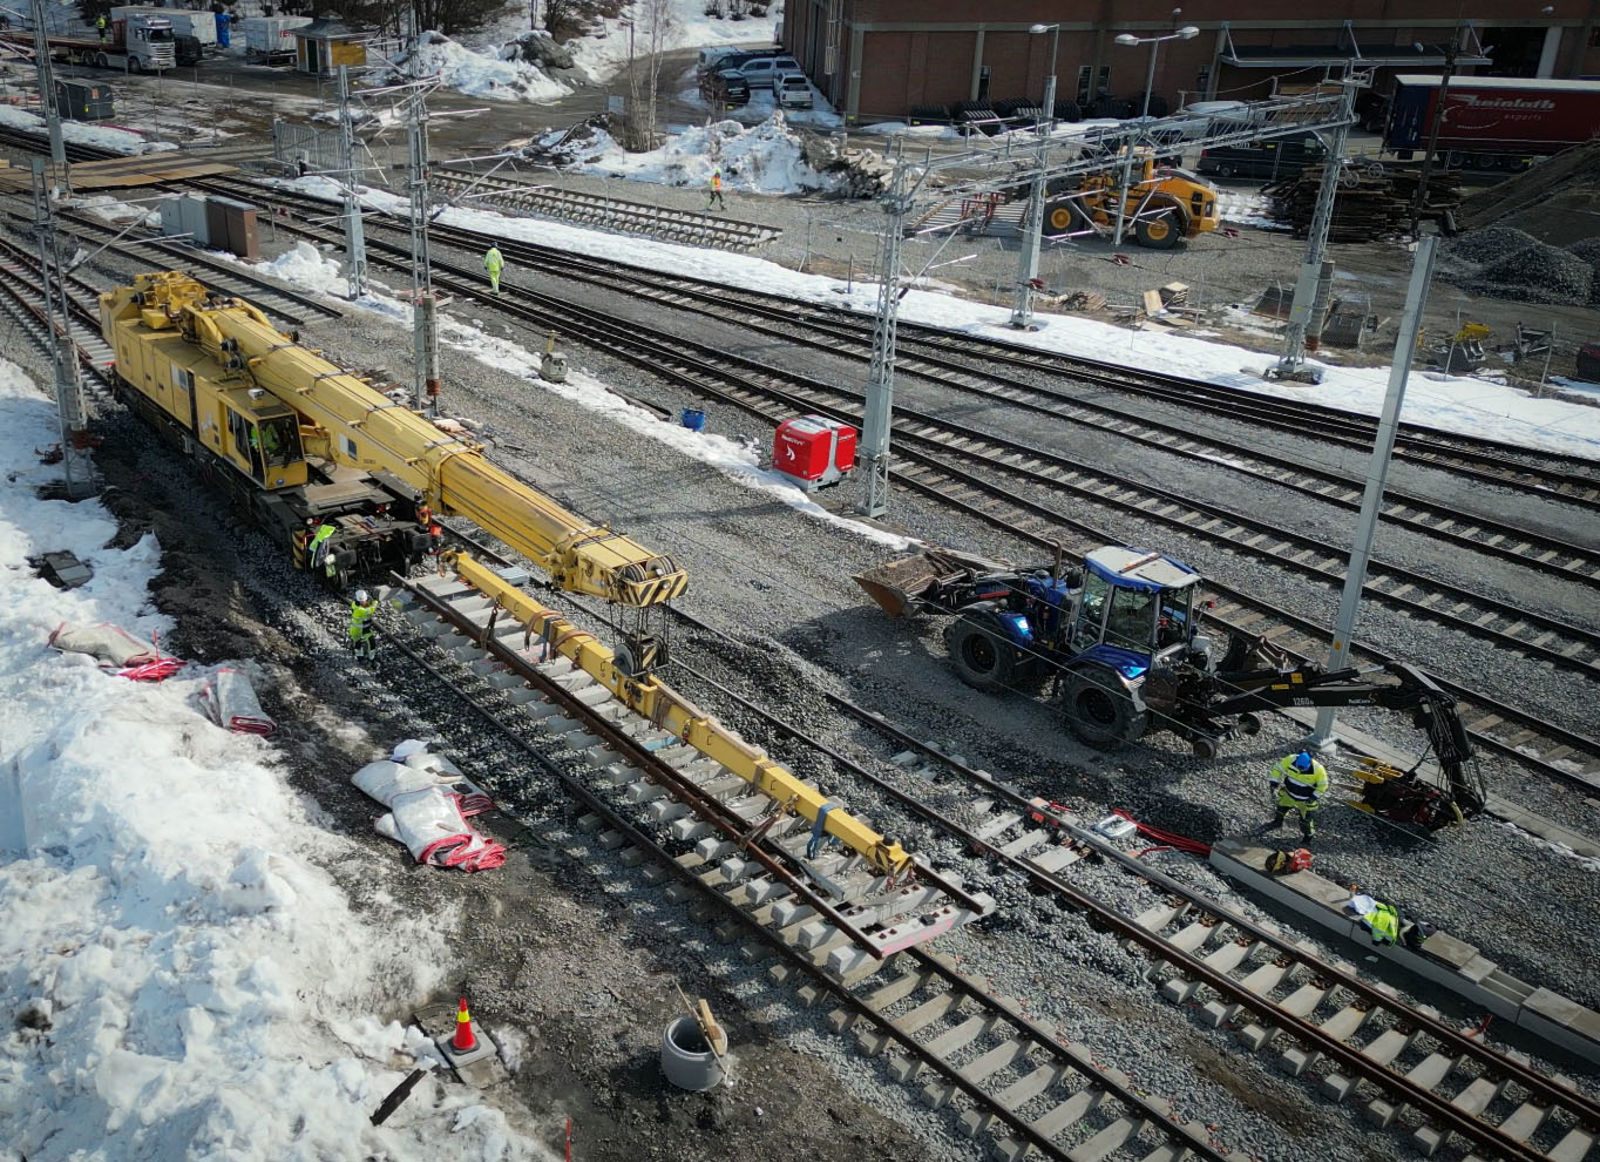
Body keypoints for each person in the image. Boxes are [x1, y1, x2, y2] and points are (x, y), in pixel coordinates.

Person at [1268, 749, 1328, 840]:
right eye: (1298, 767)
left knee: (1305, 820)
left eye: (1302, 768)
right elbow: (1278, 768)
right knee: (1281, 808)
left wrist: (1313, 797)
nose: (1300, 770)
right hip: (1289, 793)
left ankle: (1308, 836)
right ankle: (1277, 822)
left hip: (1305, 799)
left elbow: (1323, 786)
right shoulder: (1290, 759)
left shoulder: (1318, 770)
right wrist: (1274, 782)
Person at [348, 589, 379, 659]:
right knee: (367, 642)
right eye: (364, 601)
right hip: (359, 630)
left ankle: (361, 656)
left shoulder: (354, 604)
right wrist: (376, 601)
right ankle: (367, 657)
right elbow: (371, 609)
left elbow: (366, 605)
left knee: (358, 643)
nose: (365, 602)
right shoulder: (360, 610)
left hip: (357, 629)